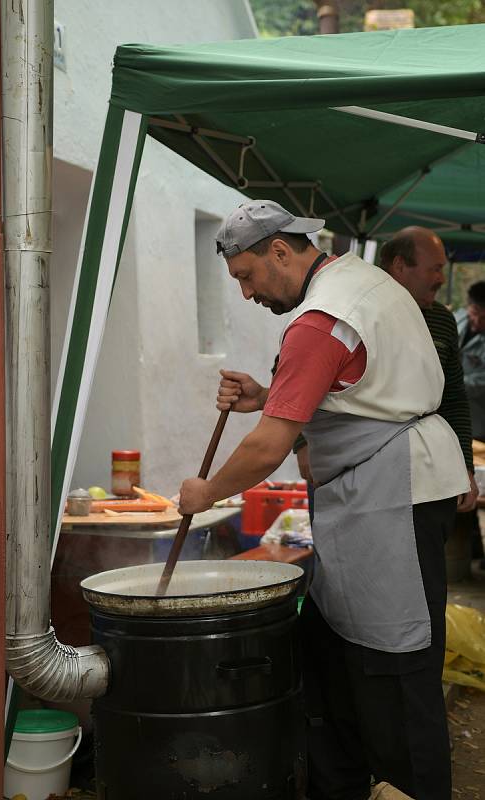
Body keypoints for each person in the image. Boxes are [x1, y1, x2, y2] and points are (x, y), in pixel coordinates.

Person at [178, 199, 469, 800]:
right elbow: (356, 384)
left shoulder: (320, 319)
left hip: (392, 495)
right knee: (341, 652)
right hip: (396, 486)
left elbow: (267, 448)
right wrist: (269, 393)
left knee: (397, 666)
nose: (246, 293)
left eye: (246, 276)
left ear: (280, 250)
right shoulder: (359, 281)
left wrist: (207, 492)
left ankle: (411, 787)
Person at [379, 226, 478, 512]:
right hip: (361, 470)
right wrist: (302, 443)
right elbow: (298, 371)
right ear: (399, 266)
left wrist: (465, 467)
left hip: (426, 474)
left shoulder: (443, 321)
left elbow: (454, 398)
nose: (441, 279)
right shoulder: (358, 311)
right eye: (434, 269)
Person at [454, 281, 485, 442]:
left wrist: (451, 382)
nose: (478, 321)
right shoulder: (455, 320)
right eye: (475, 313)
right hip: (447, 417)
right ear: (468, 307)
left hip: (476, 425)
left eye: (484, 317)